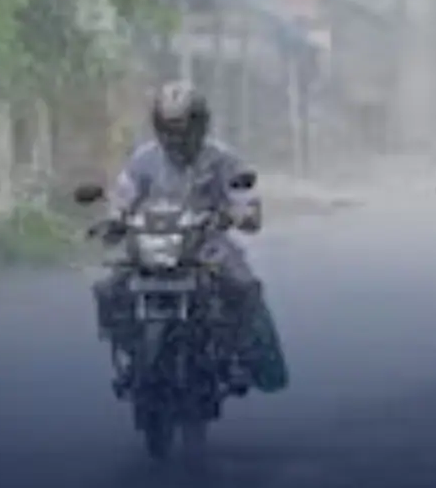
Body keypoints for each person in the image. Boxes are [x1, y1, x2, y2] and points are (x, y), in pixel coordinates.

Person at [91, 81, 289, 394]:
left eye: (183, 128)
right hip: (154, 244)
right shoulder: (144, 159)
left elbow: (243, 194)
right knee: (110, 287)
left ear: (200, 125)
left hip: (207, 244)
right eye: (168, 128)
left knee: (243, 285)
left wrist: (243, 212)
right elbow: (124, 195)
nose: (176, 137)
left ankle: (249, 360)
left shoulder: (222, 158)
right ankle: (131, 351)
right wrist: (114, 220)